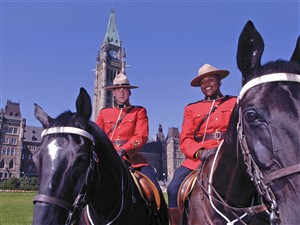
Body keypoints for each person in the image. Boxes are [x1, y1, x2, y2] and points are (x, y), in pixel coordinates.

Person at [167, 63, 237, 225]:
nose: (207, 85)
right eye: (203, 82)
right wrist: (200, 152)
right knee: (173, 189)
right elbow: (185, 139)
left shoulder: (234, 102)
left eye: (210, 80)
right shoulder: (192, 109)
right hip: (199, 158)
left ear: (219, 82)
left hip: (229, 154)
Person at [96, 73, 162, 195]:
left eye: (125, 89)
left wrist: (123, 150)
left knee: (154, 189)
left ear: (129, 92)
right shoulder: (103, 113)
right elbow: (97, 137)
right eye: (118, 90)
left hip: (132, 160)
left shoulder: (139, 111)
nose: (121, 93)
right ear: (113, 92)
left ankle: (160, 214)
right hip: (106, 158)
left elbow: (141, 136)